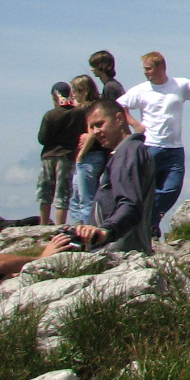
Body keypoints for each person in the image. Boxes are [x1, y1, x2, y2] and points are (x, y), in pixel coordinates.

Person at [119, 51, 190, 237]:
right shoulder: (141, 90)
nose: (145, 72)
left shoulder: (180, 85)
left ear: (161, 67)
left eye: (148, 68)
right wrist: (135, 124)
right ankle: (147, 226)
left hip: (175, 147)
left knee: (172, 188)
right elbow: (119, 105)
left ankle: (149, 219)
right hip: (151, 146)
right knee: (146, 189)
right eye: (144, 69)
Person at [70, 99, 155, 254]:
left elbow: (129, 203)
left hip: (119, 251)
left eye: (99, 124)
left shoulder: (128, 152)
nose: (96, 132)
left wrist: (106, 231)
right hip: (123, 248)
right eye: (92, 127)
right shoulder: (129, 151)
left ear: (119, 119)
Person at [36, 80, 83, 226]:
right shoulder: (79, 113)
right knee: (62, 193)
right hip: (67, 155)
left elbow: (42, 139)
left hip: (49, 155)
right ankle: (59, 226)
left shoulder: (50, 115)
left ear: (55, 97)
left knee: (45, 193)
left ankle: (43, 225)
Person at [66, 75, 104, 222]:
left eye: (76, 91)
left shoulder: (90, 109)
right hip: (92, 156)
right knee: (76, 198)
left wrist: (81, 155)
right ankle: (80, 226)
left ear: (84, 91)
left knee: (85, 199)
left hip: (90, 156)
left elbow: (91, 133)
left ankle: (88, 227)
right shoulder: (93, 107)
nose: (73, 94)